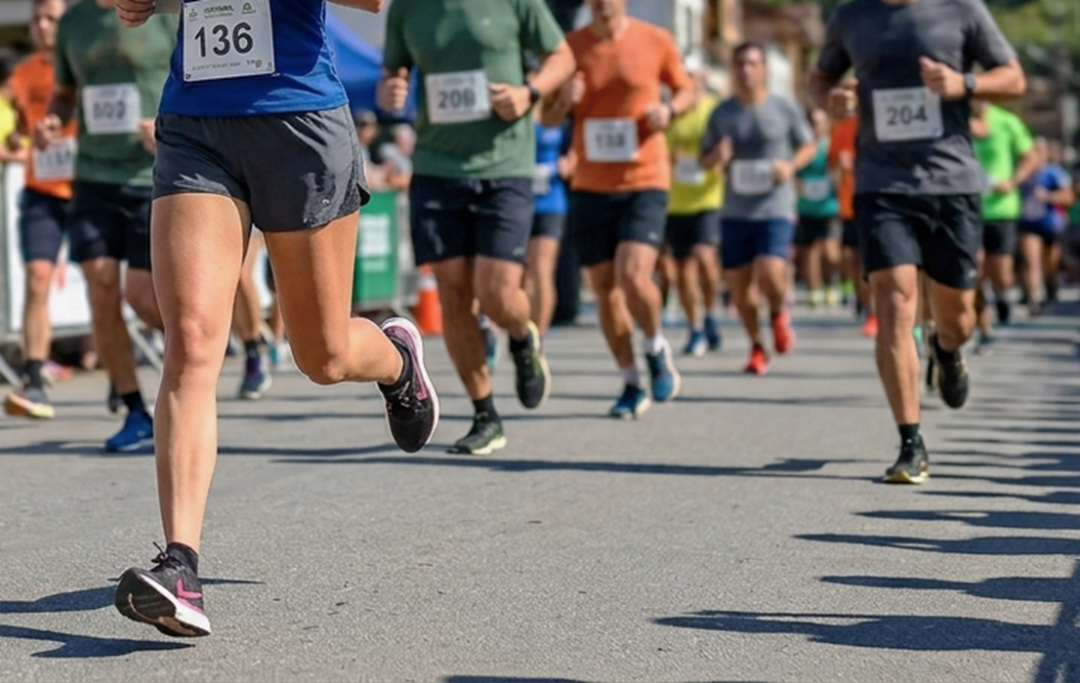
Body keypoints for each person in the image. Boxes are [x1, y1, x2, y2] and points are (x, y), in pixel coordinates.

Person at [111, 0, 439, 638]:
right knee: (192, 343)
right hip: (196, 123)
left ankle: (397, 359)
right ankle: (181, 566)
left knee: (323, 356)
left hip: (298, 117)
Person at [811, 0, 1026, 484]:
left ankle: (947, 351)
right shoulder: (851, 16)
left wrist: (963, 84)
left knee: (958, 318)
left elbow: (1013, 77)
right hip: (881, 184)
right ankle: (911, 442)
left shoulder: (962, 11)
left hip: (951, 184)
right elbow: (820, 79)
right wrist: (832, 100)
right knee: (892, 301)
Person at [378, 0, 574, 455]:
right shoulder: (407, 8)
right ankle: (485, 414)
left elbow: (563, 57)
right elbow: (395, 71)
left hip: (505, 165)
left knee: (496, 293)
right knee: (453, 291)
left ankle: (523, 337)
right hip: (436, 166)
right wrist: (392, 88)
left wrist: (530, 92)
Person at [35, 0, 175, 452]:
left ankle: (192, 363)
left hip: (151, 175)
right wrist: (54, 119)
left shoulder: (163, 9)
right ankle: (135, 409)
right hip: (94, 175)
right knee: (101, 287)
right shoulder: (75, 21)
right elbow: (64, 90)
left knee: (142, 296)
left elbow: (191, 80)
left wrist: (165, 123)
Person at [544, 0, 695, 419]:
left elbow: (687, 89)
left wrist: (669, 110)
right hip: (592, 184)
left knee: (632, 275)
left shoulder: (655, 40)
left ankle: (655, 346)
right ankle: (630, 381)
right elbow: (548, 117)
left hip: (645, 178)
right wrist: (562, 102)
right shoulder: (569, 47)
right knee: (605, 288)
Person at [700, 41, 815, 376]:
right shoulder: (721, 113)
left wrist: (790, 166)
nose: (746, 71)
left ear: (763, 69)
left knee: (770, 269)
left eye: (752, 64)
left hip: (774, 206)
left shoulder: (783, 107)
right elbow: (704, 159)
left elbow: (808, 143)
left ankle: (779, 311)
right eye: (740, 64)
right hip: (735, 210)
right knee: (739, 287)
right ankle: (757, 346)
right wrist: (716, 158)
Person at [3, 0, 69, 420]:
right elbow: (17, 125)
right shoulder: (23, 73)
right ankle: (34, 377)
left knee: (106, 284)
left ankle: (125, 380)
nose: (42, 26)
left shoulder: (85, 60)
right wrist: (14, 140)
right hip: (41, 188)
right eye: (37, 19)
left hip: (89, 185)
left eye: (51, 19)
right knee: (36, 278)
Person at [664, 55, 723, 357]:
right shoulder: (673, 111)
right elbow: (663, 147)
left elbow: (725, 148)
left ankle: (711, 311)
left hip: (707, 197)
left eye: (693, 75)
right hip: (677, 200)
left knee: (704, 255)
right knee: (683, 270)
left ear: (703, 77)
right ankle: (695, 327)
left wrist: (710, 159)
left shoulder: (714, 109)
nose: (688, 81)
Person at [969, 99, 1038, 353]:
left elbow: (1031, 156)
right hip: (967, 209)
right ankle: (984, 328)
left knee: (1000, 273)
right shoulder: (955, 119)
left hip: (1001, 209)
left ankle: (1001, 297)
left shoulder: (1006, 121)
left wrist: (1012, 181)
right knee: (973, 270)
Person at [827, 97, 877, 337]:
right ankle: (865, 305)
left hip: (875, 202)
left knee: (873, 263)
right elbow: (833, 168)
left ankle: (875, 311)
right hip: (849, 206)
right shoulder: (842, 128)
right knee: (852, 260)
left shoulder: (877, 125)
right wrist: (841, 171)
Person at [528, 95, 572, 339]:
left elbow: (575, 154)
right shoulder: (517, 111)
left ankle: (539, 338)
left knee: (541, 269)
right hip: (518, 202)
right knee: (519, 275)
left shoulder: (562, 115)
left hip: (551, 202)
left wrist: (568, 164)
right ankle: (523, 332)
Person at [1018, 138, 1075, 315]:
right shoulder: (1022, 173)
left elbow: (1069, 197)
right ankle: (1034, 298)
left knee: (1050, 263)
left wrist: (1048, 196)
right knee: (1031, 261)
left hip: (1050, 223)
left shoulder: (1053, 173)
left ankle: (1051, 288)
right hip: (1027, 223)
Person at [795, 108, 841, 310]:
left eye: (820, 122)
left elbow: (840, 172)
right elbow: (792, 172)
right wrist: (799, 187)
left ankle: (831, 283)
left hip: (829, 206)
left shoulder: (830, 146)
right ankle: (814, 290)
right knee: (810, 252)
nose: (816, 127)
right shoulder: (802, 148)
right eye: (813, 123)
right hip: (806, 206)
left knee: (831, 252)